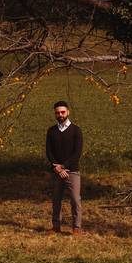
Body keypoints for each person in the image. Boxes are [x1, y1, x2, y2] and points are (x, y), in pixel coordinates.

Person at [45, 100, 84, 235]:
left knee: (75, 199)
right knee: (56, 200)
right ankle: (56, 226)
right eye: (57, 113)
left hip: (72, 171)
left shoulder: (76, 130)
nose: (60, 115)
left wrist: (63, 167)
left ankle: (77, 227)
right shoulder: (51, 131)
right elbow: (49, 152)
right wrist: (56, 168)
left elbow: (77, 153)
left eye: (62, 112)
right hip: (56, 172)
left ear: (68, 112)